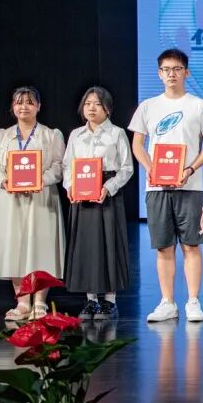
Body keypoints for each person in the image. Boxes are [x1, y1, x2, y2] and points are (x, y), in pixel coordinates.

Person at [129, 48, 203, 323]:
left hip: (190, 187)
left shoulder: (199, 105)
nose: (172, 74)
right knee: (164, 247)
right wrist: (151, 169)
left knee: (191, 244)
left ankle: (193, 301)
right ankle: (167, 302)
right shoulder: (148, 106)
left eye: (177, 69)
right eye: (166, 69)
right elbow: (137, 144)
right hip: (157, 188)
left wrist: (190, 169)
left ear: (186, 72)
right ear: (159, 73)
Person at [0, 86, 66, 321]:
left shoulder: (51, 135)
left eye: (30, 102)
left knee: (41, 248)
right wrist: (3, 181)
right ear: (12, 107)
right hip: (10, 199)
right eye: (19, 102)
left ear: (39, 106)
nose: (24, 107)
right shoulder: (3, 136)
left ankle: (40, 301)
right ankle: (22, 302)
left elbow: (59, 167)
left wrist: (41, 180)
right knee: (15, 248)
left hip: (41, 198)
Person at [63, 86, 134, 320]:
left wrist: (108, 188)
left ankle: (110, 301)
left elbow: (126, 168)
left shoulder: (117, 133)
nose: (91, 108)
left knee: (109, 245)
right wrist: (70, 186)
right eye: (87, 104)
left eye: (97, 104)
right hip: (82, 193)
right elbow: (67, 165)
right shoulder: (76, 134)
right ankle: (91, 300)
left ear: (108, 109)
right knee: (86, 247)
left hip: (107, 193)